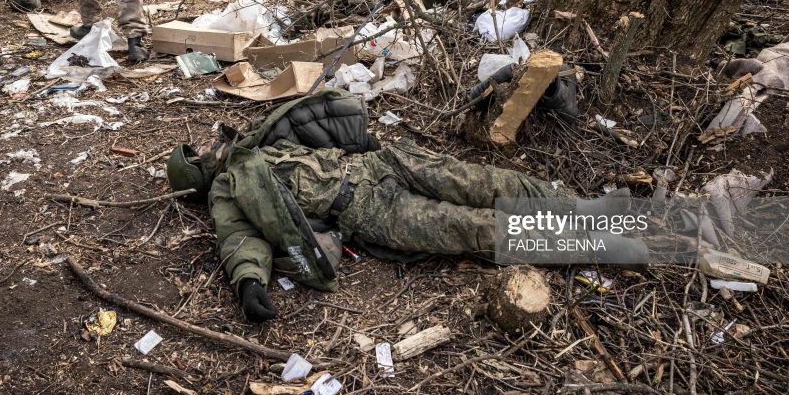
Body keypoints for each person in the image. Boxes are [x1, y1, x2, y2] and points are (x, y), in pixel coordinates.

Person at [168, 90, 647, 323]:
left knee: (486, 181)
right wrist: (249, 281)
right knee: (473, 228)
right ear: (199, 176)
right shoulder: (229, 188)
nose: (205, 147)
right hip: (368, 209)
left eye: (198, 145)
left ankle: (587, 209)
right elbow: (238, 238)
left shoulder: (252, 145)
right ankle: (601, 242)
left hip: (381, 165)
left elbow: (311, 120)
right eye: (196, 156)